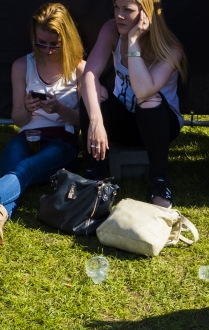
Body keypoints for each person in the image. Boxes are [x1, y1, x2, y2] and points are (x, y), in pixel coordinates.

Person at [0, 3, 85, 245]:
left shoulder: (79, 68)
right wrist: (27, 108)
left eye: (54, 44)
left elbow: (84, 122)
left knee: (24, 170)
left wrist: (60, 109)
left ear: (67, 38)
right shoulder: (22, 65)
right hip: (27, 134)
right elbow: (18, 120)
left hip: (62, 139)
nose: (48, 50)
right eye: (41, 43)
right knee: (13, 171)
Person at [81, 0, 187, 208]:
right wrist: (96, 121)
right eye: (116, 7)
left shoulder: (172, 49)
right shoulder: (111, 29)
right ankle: (95, 175)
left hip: (160, 126)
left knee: (148, 99)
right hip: (124, 122)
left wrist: (132, 41)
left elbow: (143, 90)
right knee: (94, 92)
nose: (119, 15)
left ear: (146, 14)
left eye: (127, 10)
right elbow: (89, 75)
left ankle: (159, 183)